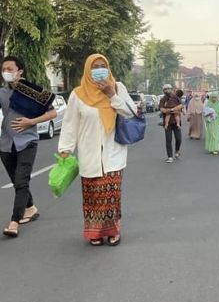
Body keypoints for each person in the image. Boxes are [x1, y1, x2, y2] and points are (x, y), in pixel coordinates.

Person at [58, 53, 138, 246]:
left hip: (113, 153)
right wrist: (65, 148)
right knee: (92, 196)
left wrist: (112, 95)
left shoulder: (118, 88)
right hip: (89, 153)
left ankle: (113, 231)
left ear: (108, 68)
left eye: (103, 65)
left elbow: (131, 112)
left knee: (111, 195)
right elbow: (70, 124)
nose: (99, 69)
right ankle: (94, 233)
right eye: (95, 66)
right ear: (88, 70)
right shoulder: (78, 94)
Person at [0, 56, 57, 237]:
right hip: (6, 144)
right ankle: (30, 208)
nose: (6, 72)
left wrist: (30, 121)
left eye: (10, 69)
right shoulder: (2, 93)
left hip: (27, 142)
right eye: (3, 69)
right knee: (18, 182)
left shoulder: (33, 91)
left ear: (20, 71)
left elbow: (53, 112)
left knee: (22, 181)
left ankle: (14, 221)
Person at [159, 84, 182, 163]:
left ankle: (177, 150)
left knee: (178, 138)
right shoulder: (163, 99)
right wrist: (168, 111)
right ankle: (170, 157)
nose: (167, 90)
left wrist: (173, 109)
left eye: (168, 89)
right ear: (163, 91)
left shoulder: (176, 97)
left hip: (176, 121)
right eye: (165, 89)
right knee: (168, 139)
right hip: (167, 122)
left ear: (171, 89)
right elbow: (162, 109)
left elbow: (181, 105)